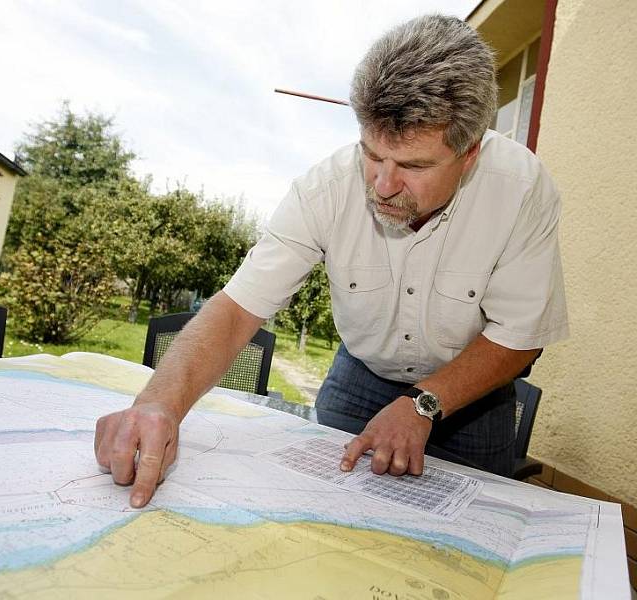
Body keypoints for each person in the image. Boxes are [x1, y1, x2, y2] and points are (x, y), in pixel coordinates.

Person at [94, 14, 568, 508]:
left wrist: (422, 404)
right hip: (360, 374)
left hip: (474, 396)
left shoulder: (522, 190)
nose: (382, 185)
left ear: (469, 154)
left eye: (413, 165)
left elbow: (518, 338)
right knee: (322, 512)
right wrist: (158, 405)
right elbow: (236, 310)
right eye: (371, 154)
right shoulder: (325, 189)